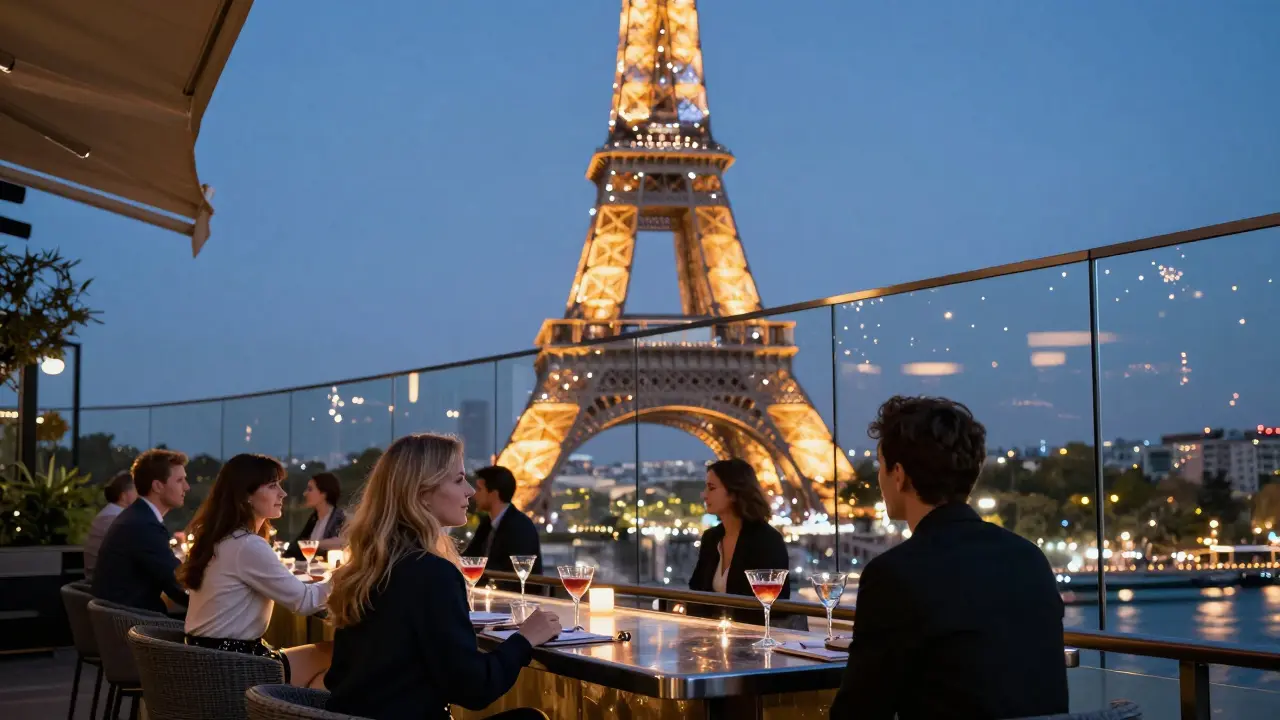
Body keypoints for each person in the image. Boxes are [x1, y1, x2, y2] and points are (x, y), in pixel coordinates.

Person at [829, 396, 1068, 720]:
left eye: (880, 466)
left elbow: (858, 711)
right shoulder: (1030, 559)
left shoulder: (894, 575)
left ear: (898, 474)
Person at [325, 433, 561, 720]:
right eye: (459, 479)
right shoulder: (432, 573)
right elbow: (475, 688)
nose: (470, 490)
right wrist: (524, 639)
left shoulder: (368, 567)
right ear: (423, 494)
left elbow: (339, 677)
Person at [178, 454, 333, 688]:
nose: (282, 493)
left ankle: (296, 704)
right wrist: (347, 574)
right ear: (245, 495)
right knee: (339, 656)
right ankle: (293, 704)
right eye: (272, 486)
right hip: (235, 667)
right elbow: (305, 601)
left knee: (333, 661)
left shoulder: (222, 539)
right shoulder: (247, 545)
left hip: (207, 660)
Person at [688, 458, 803, 629]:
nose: (704, 495)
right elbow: (696, 593)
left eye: (711, 488)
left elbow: (775, 604)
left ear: (734, 493)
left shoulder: (767, 540)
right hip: (715, 637)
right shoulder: (711, 538)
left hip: (754, 638)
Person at [92, 449, 190, 615]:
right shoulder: (144, 525)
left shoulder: (137, 516)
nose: (187, 487)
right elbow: (176, 583)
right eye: (180, 480)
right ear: (158, 486)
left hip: (122, 619)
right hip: (137, 624)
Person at [461, 465, 542, 593]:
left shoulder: (520, 527)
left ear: (494, 494)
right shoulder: (487, 523)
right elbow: (469, 558)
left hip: (513, 600)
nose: (474, 494)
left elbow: (514, 576)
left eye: (479, 489)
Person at [83, 471, 137, 580]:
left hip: (97, 581)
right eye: (137, 490)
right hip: (109, 584)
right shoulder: (119, 520)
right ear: (123, 495)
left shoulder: (106, 515)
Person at [285, 472, 346, 561]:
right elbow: (295, 547)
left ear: (324, 494)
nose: (305, 493)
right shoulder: (314, 519)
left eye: (310, 489)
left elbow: (343, 543)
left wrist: (313, 544)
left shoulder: (339, 518)